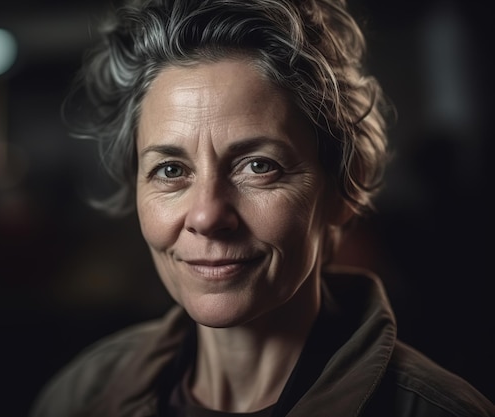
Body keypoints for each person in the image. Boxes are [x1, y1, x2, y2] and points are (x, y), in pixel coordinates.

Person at [30, 0, 495, 416]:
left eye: (258, 165)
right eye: (171, 171)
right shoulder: (82, 395)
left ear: (342, 192)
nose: (208, 216)